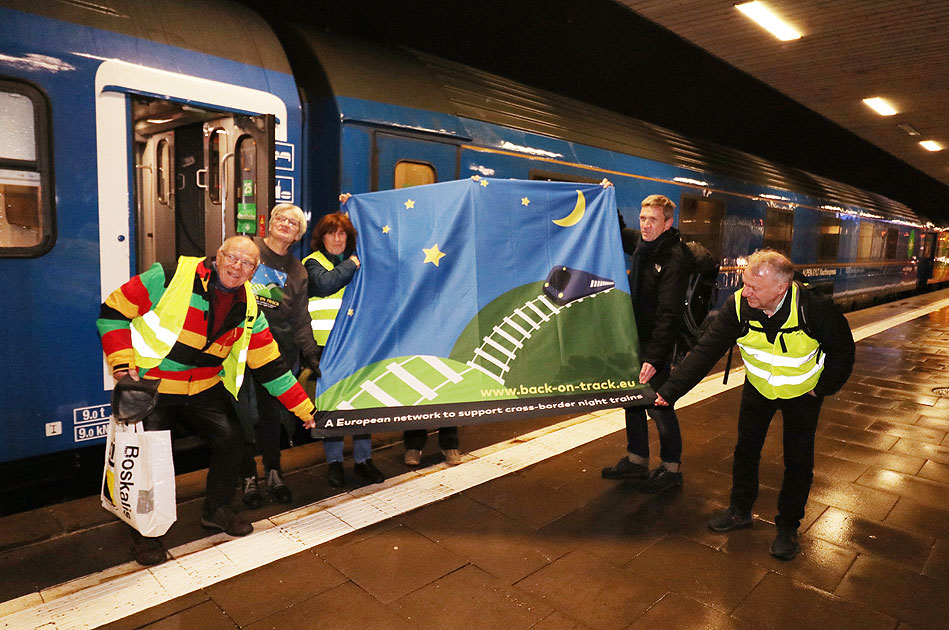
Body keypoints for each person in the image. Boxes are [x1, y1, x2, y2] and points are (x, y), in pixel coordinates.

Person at [97, 236, 315, 566]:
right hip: (154, 383)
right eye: (232, 258)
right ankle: (146, 536)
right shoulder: (169, 276)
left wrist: (304, 409)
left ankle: (217, 510)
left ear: (255, 271)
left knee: (232, 439)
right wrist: (122, 363)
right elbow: (113, 311)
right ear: (218, 255)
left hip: (202, 386)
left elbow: (270, 364)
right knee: (147, 460)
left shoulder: (249, 307)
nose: (237, 267)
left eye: (246, 263)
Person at [655, 249, 854, 560]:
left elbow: (843, 351)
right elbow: (708, 350)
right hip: (758, 388)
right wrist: (670, 391)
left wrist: (822, 388)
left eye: (753, 287)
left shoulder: (813, 308)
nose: (744, 291)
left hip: (802, 395)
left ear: (781, 289)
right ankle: (740, 510)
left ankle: (788, 527)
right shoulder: (739, 306)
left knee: (798, 463)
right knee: (746, 450)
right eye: (744, 284)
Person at [601, 193, 690, 493]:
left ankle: (671, 468)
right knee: (632, 399)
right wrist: (607, 196)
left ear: (668, 222)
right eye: (643, 219)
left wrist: (654, 358)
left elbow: (669, 314)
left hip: (657, 345)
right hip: (636, 339)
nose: (646, 225)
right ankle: (637, 460)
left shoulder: (674, 257)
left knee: (659, 402)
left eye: (653, 220)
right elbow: (614, 229)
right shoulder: (642, 244)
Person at [236, 204, 323, 508]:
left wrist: (310, 354)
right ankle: (247, 477)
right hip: (239, 345)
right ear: (269, 224)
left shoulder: (297, 271)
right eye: (281, 219)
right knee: (241, 415)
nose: (286, 225)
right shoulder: (250, 250)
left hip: (276, 350)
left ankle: (274, 472)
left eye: (293, 223)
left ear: (298, 234)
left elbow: (300, 319)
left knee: (272, 416)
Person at [304, 209, 385, 488]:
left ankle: (364, 461)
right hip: (327, 346)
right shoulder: (312, 262)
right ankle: (335, 463)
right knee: (331, 405)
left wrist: (354, 208)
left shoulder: (360, 260)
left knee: (362, 403)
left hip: (357, 343)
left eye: (342, 233)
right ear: (321, 237)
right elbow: (326, 285)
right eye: (331, 233)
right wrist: (352, 263)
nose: (337, 239)